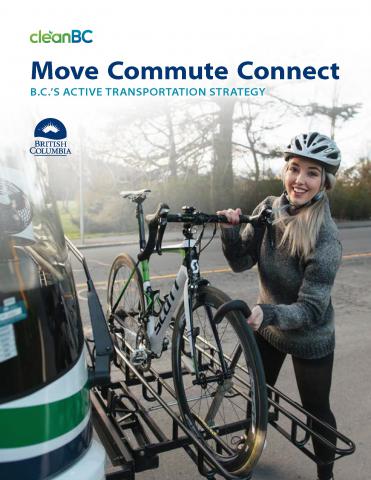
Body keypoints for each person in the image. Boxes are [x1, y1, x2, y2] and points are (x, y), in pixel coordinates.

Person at [218, 132, 342, 480]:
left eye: (312, 172)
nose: (300, 180)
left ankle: (325, 475)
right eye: (294, 168)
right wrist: (230, 231)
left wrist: (268, 313)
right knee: (259, 393)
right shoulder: (268, 209)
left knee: (316, 412)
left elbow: (311, 310)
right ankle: (249, 450)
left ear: (325, 182)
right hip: (268, 325)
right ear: (284, 170)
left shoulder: (326, 237)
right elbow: (241, 262)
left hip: (309, 335)